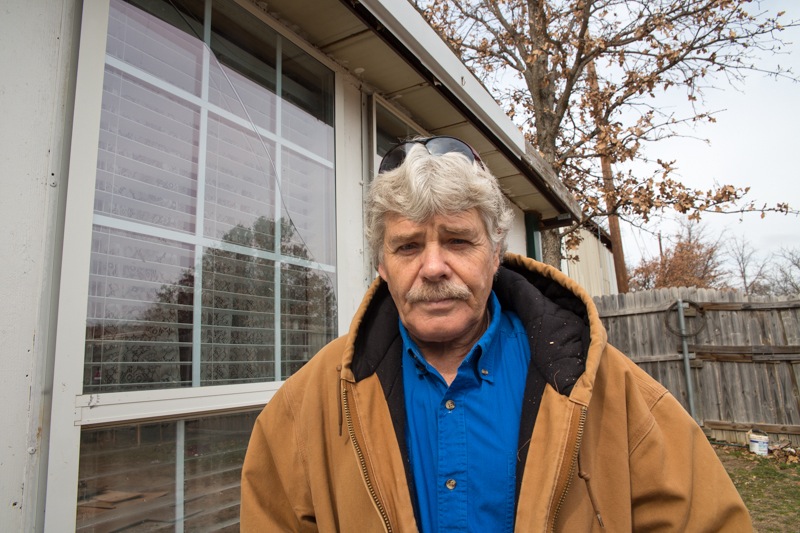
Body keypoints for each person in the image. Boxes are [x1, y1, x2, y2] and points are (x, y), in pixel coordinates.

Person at [240, 136, 751, 531]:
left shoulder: (609, 394)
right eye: (408, 246)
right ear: (381, 264)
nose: (434, 266)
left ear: (495, 251)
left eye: (459, 240)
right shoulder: (303, 412)